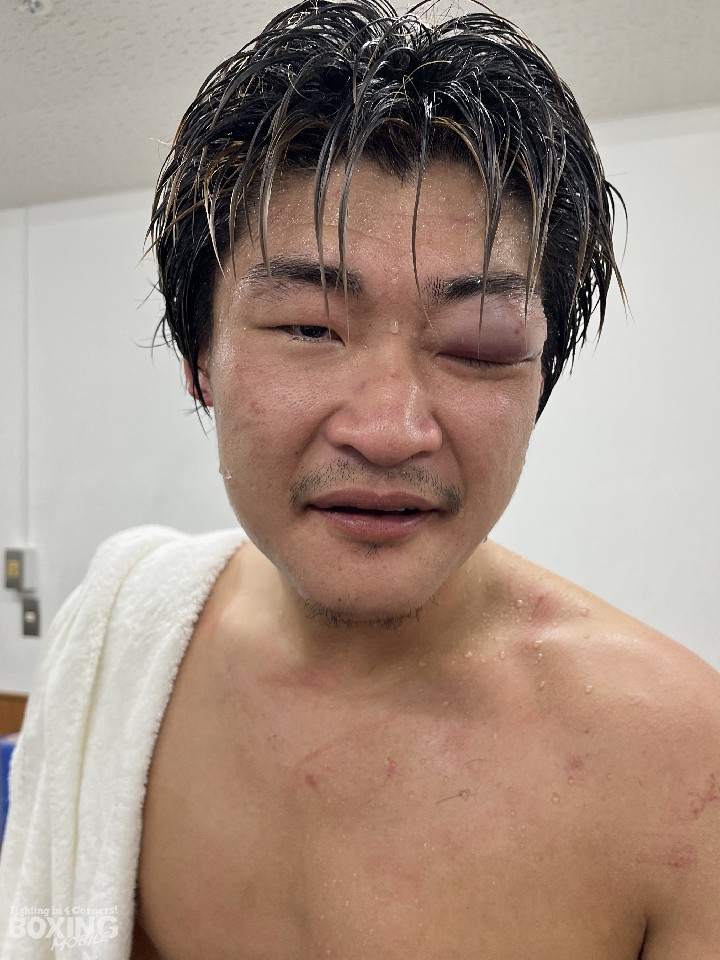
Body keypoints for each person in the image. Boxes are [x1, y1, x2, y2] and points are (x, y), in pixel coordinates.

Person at [2, 1, 719, 957]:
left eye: (476, 344)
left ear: (539, 380)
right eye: (308, 327)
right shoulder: (119, 641)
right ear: (199, 359)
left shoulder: (683, 768)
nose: (389, 430)